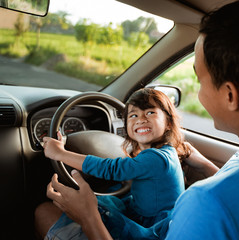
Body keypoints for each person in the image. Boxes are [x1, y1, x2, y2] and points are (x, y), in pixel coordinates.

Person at [36, 1, 239, 239]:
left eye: (200, 79)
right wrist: (209, 167)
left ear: (230, 95)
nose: (199, 92)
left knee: (43, 213)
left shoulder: (208, 203)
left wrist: (89, 218)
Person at [34, 88, 190, 239]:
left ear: (168, 123)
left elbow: (111, 168)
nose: (141, 119)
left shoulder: (156, 158)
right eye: (133, 115)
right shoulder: (167, 151)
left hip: (150, 225)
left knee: (45, 211)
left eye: (150, 112)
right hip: (144, 211)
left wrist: (61, 153)